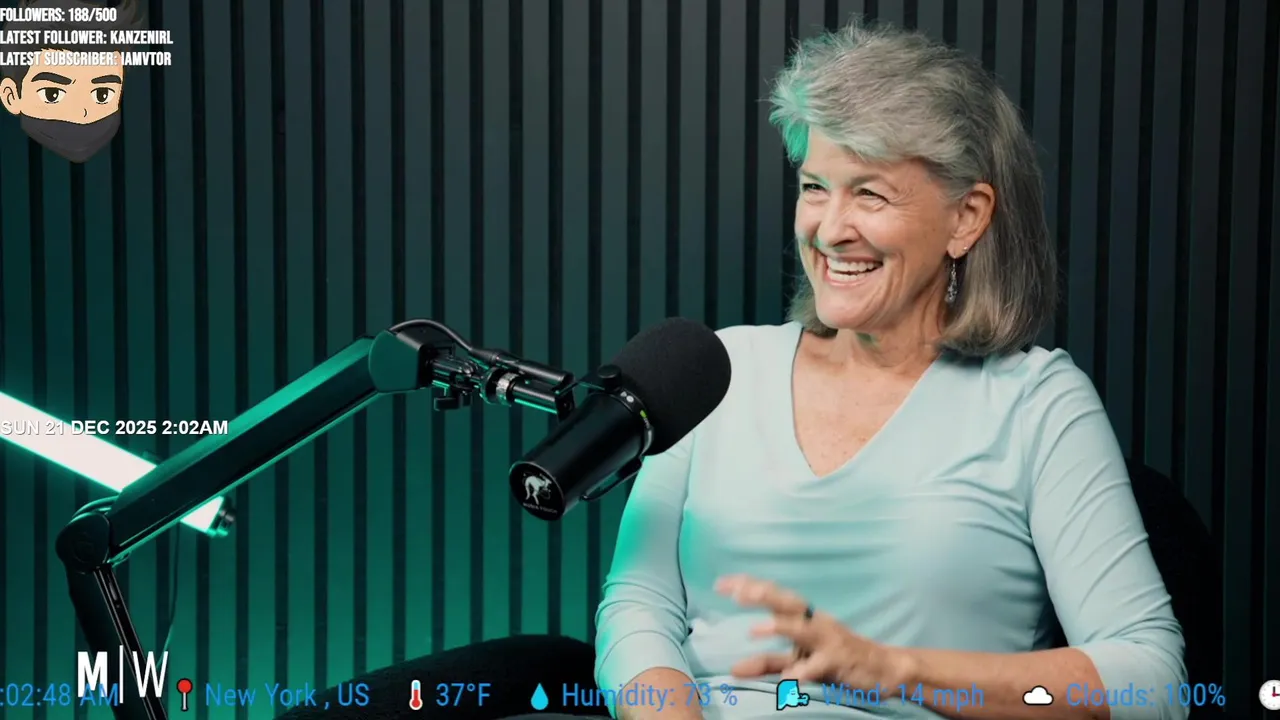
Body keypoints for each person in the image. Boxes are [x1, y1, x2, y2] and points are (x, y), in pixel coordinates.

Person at [590, 19, 1185, 720]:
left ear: (967, 218)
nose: (829, 229)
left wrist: (891, 670)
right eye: (816, 187)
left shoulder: (1037, 404)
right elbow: (638, 604)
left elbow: (1152, 681)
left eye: (869, 194)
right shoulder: (719, 372)